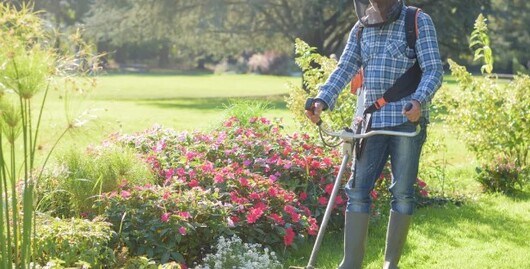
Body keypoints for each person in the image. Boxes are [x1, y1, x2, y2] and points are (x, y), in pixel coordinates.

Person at [305, 0, 443, 268]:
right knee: (358, 190)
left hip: (406, 122)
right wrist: (322, 99)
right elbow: (344, 68)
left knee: (402, 193)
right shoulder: (361, 28)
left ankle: (390, 264)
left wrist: (418, 100)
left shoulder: (416, 21)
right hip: (371, 124)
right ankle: (351, 263)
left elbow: (433, 69)